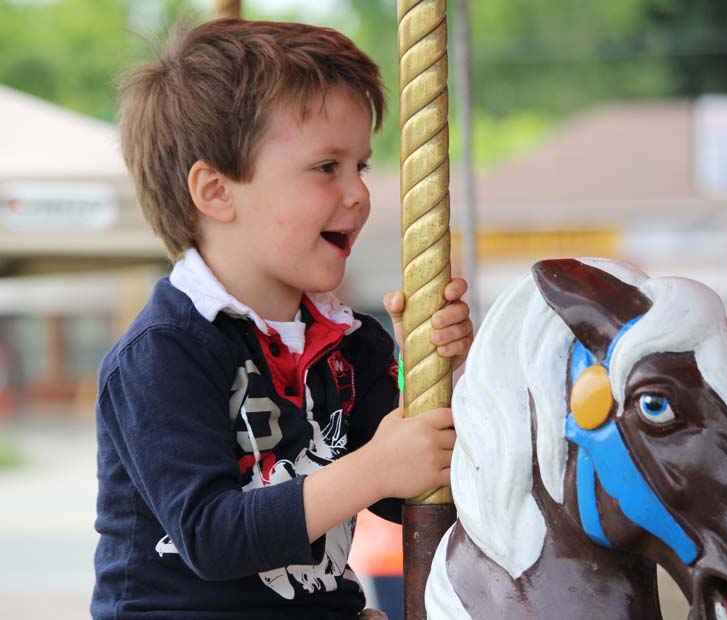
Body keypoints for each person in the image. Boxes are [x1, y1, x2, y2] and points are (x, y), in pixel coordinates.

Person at [91, 18, 474, 620]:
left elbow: (416, 496)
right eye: (327, 167)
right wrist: (374, 467)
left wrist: (443, 380)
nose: (358, 194)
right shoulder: (164, 352)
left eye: (362, 167)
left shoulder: (353, 345)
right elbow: (212, 536)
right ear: (217, 192)